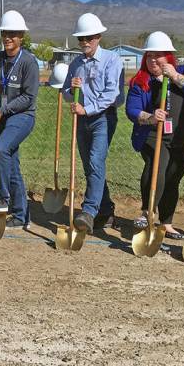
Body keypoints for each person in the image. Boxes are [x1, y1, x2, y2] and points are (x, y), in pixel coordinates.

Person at [125, 31, 184, 239]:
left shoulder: (183, 72)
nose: (152, 60)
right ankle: (147, 212)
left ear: (168, 57)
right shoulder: (140, 81)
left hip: (179, 136)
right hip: (151, 134)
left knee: (173, 178)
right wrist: (150, 117)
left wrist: (175, 77)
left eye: (157, 55)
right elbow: (131, 110)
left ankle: (166, 223)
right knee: (157, 166)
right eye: (149, 56)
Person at [62, 13, 124, 233]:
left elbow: (111, 94)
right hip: (82, 120)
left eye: (89, 38)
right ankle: (105, 210)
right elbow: (66, 94)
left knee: (96, 162)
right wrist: (71, 88)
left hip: (103, 118)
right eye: (81, 39)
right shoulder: (76, 64)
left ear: (98, 37)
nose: (85, 42)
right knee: (90, 167)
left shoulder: (112, 60)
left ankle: (88, 211)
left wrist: (86, 109)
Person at [0, 10, 39, 229]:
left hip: (22, 116)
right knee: (11, 164)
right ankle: (21, 214)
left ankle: (2, 196)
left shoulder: (29, 62)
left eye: (13, 34)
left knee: (0, 149)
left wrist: (3, 109)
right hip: (3, 116)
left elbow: (28, 97)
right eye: (5, 33)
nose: (8, 37)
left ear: (21, 37)